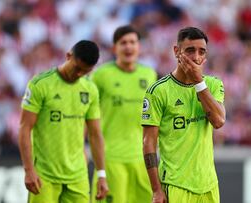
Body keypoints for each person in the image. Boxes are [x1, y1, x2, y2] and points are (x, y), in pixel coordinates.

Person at [142, 27, 226, 203]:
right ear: (176, 51)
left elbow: (218, 121)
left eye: (201, 51)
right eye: (190, 50)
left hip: (208, 184)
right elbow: (148, 143)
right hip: (175, 184)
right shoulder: (158, 91)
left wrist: (199, 83)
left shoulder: (213, 84)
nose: (196, 57)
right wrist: (156, 190)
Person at [18, 40, 109, 203]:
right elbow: (25, 128)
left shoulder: (90, 89)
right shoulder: (40, 84)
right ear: (68, 56)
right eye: (77, 68)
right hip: (44, 176)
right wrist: (29, 170)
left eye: (86, 72)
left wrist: (101, 174)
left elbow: (95, 134)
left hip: (77, 176)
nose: (79, 74)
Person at [90, 25, 157, 203]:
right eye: (123, 43)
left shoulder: (149, 75)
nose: (128, 47)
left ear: (139, 46)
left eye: (132, 42)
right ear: (114, 48)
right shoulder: (101, 75)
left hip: (142, 160)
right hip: (111, 158)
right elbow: (87, 115)